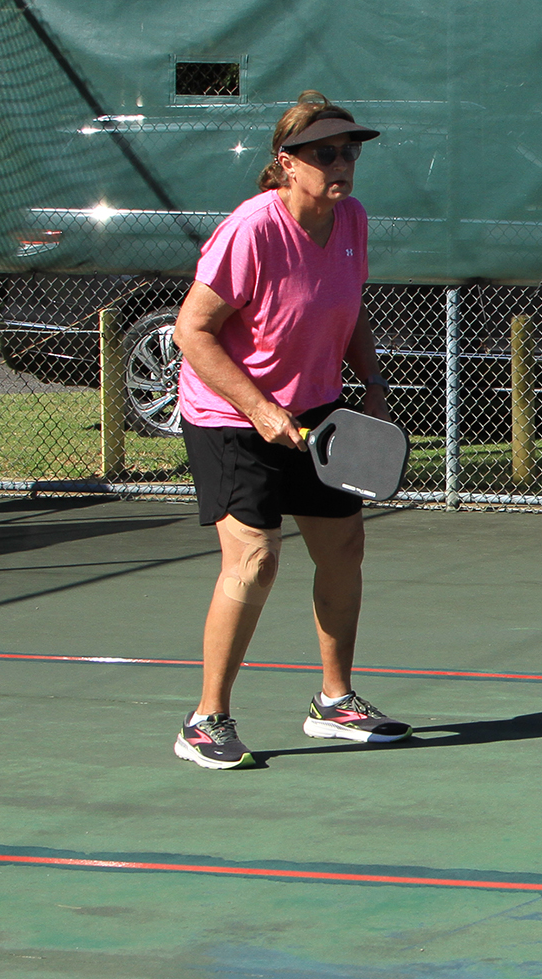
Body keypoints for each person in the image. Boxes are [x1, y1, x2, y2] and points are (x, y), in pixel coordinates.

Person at [171, 91, 410, 769]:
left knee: (343, 547)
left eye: (350, 151)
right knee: (255, 558)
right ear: (287, 164)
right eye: (325, 153)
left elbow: (351, 307)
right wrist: (257, 408)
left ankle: (335, 703)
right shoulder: (251, 230)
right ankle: (205, 720)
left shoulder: (351, 219)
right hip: (228, 413)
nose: (342, 163)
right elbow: (192, 330)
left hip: (316, 409)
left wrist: (374, 385)